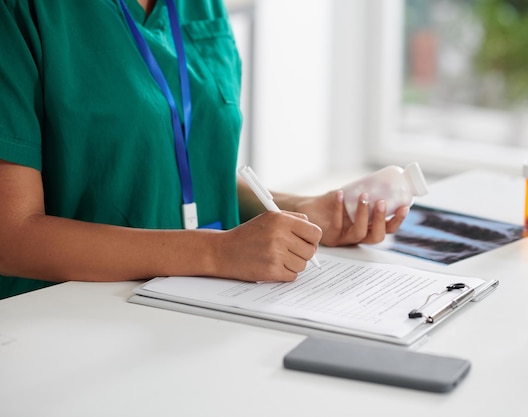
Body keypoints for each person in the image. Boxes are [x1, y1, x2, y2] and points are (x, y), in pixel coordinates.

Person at [0, 0, 409, 300]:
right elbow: (10, 235)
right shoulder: (20, 12)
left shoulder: (201, 6)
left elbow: (176, 173)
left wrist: (298, 209)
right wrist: (217, 254)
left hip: (200, 310)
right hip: (63, 322)